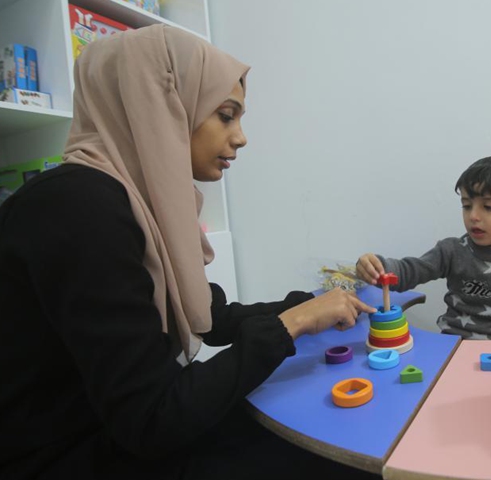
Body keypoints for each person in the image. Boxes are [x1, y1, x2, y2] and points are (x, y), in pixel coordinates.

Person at [0, 25, 380, 480]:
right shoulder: (77, 209)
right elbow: (151, 419)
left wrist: (305, 307)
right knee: (336, 460)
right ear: (158, 107)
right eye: (225, 114)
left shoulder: (135, 201)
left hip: (124, 432)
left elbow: (212, 317)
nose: (240, 137)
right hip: (72, 457)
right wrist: (290, 326)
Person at [356, 156, 491, 340]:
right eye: (467, 206)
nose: (474, 216)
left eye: (489, 207)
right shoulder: (451, 251)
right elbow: (409, 272)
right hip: (455, 347)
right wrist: (377, 266)